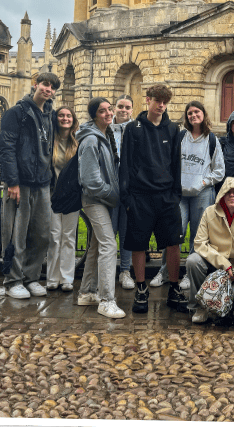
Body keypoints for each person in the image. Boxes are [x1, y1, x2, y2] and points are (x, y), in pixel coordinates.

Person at [119, 83, 188, 314]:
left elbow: (176, 163)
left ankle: (175, 287)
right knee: (139, 243)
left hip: (167, 196)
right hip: (140, 196)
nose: (161, 105)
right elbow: (126, 164)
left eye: (165, 101)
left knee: (173, 242)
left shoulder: (173, 129)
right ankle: (141, 287)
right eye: (157, 100)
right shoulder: (133, 128)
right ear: (147, 100)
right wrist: (127, 197)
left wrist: (175, 194)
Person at [0, 71, 60, 299]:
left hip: (42, 183)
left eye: (52, 87)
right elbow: (6, 149)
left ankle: (31, 277)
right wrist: (12, 182)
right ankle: (13, 280)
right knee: (16, 235)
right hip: (20, 183)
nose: (48, 90)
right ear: (35, 85)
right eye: (45, 84)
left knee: (42, 234)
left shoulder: (49, 115)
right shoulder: (16, 113)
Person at [151, 100, 225, 292]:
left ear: (203, 114)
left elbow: (219, 171)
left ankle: (189, 274)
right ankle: (165, 271)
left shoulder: (212, 140)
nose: (193, 116)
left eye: (197, 112)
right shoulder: (180, 136)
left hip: (202, 192)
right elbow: (169, 161)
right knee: (174, 232)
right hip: (179, 194)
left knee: (198, 236)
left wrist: (202, 182)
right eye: (190, 113)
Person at [76, 97, 125, 319]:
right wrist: (112, 193)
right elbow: (90, 180)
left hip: (102, 199)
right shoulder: (91, 141)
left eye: (109, 109)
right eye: (102, 111)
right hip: (95, 199)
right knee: (108, 244)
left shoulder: (105, 136)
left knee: (96, 245)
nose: (108, 113)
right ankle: (106, 300)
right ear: (94, 115)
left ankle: (86, 292)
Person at [186, 177, 234, 326]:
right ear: (222, 195)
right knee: (193, 261)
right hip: (213, 264)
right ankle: (200, 307)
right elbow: (199, 243)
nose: (232, 195)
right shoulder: (209, 212)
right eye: (228, 192)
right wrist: (224, 264)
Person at [46, 106, 80, 293]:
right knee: (54, 236)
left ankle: (67, 278)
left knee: (68, 237)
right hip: (52, 194)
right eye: (61, 115)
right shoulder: (50, 141)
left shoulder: (77, 143)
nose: (65, 118)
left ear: (72, 119)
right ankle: (52, 277)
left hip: (71, 196)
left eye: (68, 116)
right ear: (56, 118)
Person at [109, 94, 135, 289]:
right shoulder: (105, 128)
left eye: (127, 107)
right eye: (120, 106)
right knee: (109, 233)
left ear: (132, 110)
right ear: (114, 108)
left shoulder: (136, 130)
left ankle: (125, 271)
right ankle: (108, 270)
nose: (123, 110)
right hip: (109, 189)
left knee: (126, 233)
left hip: (129, 190)